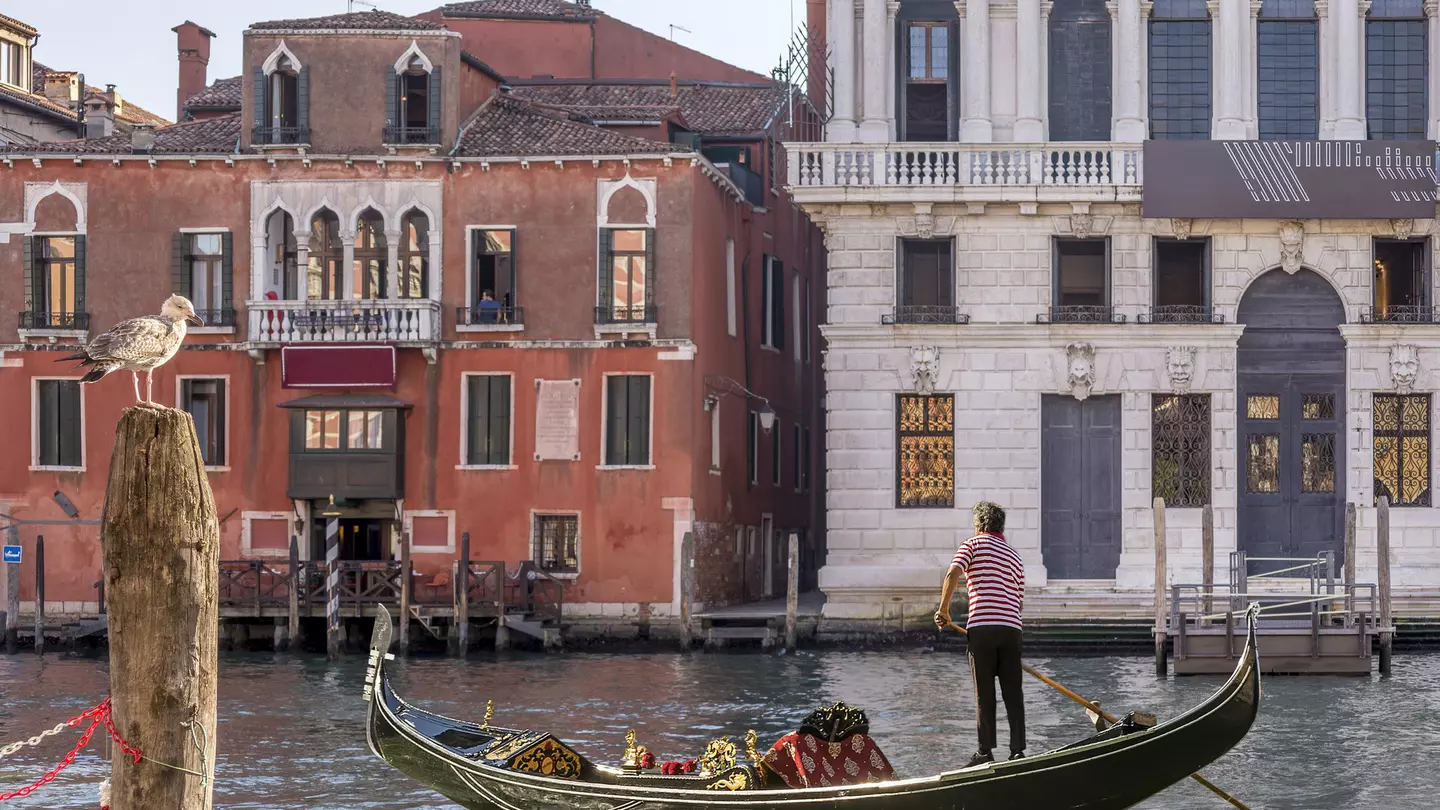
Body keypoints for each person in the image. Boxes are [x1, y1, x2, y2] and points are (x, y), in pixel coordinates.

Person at [934, 501, 1027, 767]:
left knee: (985, 694)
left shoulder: (972, 545)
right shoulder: (1014, 555)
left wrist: (944, 610)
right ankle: (1017, 751)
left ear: (980, 525)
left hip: (983, 628)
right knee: (1013, 693)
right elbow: (1019, 602)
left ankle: (985, 751)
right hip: (1011, 629)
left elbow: (953, 573)